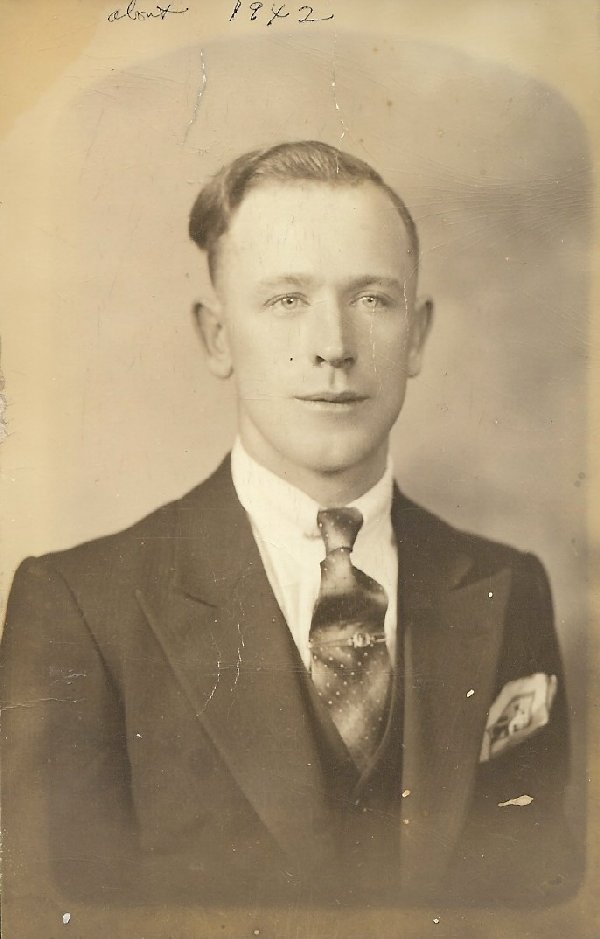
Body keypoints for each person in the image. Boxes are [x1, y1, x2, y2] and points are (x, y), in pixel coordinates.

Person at [0, 141, 580, 914]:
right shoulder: (80, 606)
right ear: (216, 336)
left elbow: (539, 905)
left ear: (417, 335)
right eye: (286, 300)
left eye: (372, 298)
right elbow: (49, 917)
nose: (333, 346)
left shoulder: (508, 588)